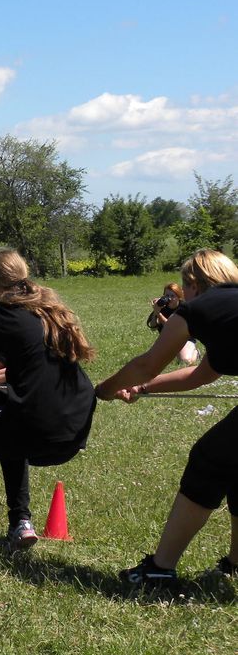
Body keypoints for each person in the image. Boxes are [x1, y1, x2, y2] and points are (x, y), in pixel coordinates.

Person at [96, 248, 238, 589]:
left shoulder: (197, 308)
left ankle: (159, 570)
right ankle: (235, 563)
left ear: (194, 283)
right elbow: (200, 374)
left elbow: (147, 362)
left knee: (210, 460)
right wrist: (142, 389)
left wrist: (105, 388)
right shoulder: (229, 310)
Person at [0, 247, 96, 554]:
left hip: (41, 423)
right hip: (78, 417)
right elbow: (34, 362)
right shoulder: (48, 307)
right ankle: (21, 523)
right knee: (7, 435)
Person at [147, 282, 199, 366]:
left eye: (172, 296)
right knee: (151, 361)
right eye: (167, 296)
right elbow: (153, 327)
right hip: (166, 340)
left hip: (184, 340)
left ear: (179, 297)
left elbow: (171, 326)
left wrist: (159, 313)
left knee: (185, 361)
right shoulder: (162, 307)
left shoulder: (184, 308)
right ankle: (175, 353)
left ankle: (196, 353)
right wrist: (155, 312)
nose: (169, 299)